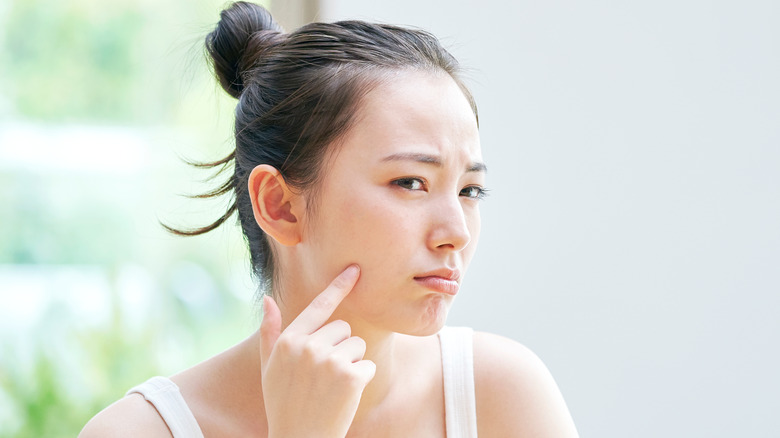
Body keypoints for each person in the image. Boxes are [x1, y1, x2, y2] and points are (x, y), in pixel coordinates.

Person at [79, 2, 579, 436]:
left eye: (470, 190)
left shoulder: (502, 394)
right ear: (280, 205)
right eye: (410, 183)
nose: (457, 233)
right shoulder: (138, 431)